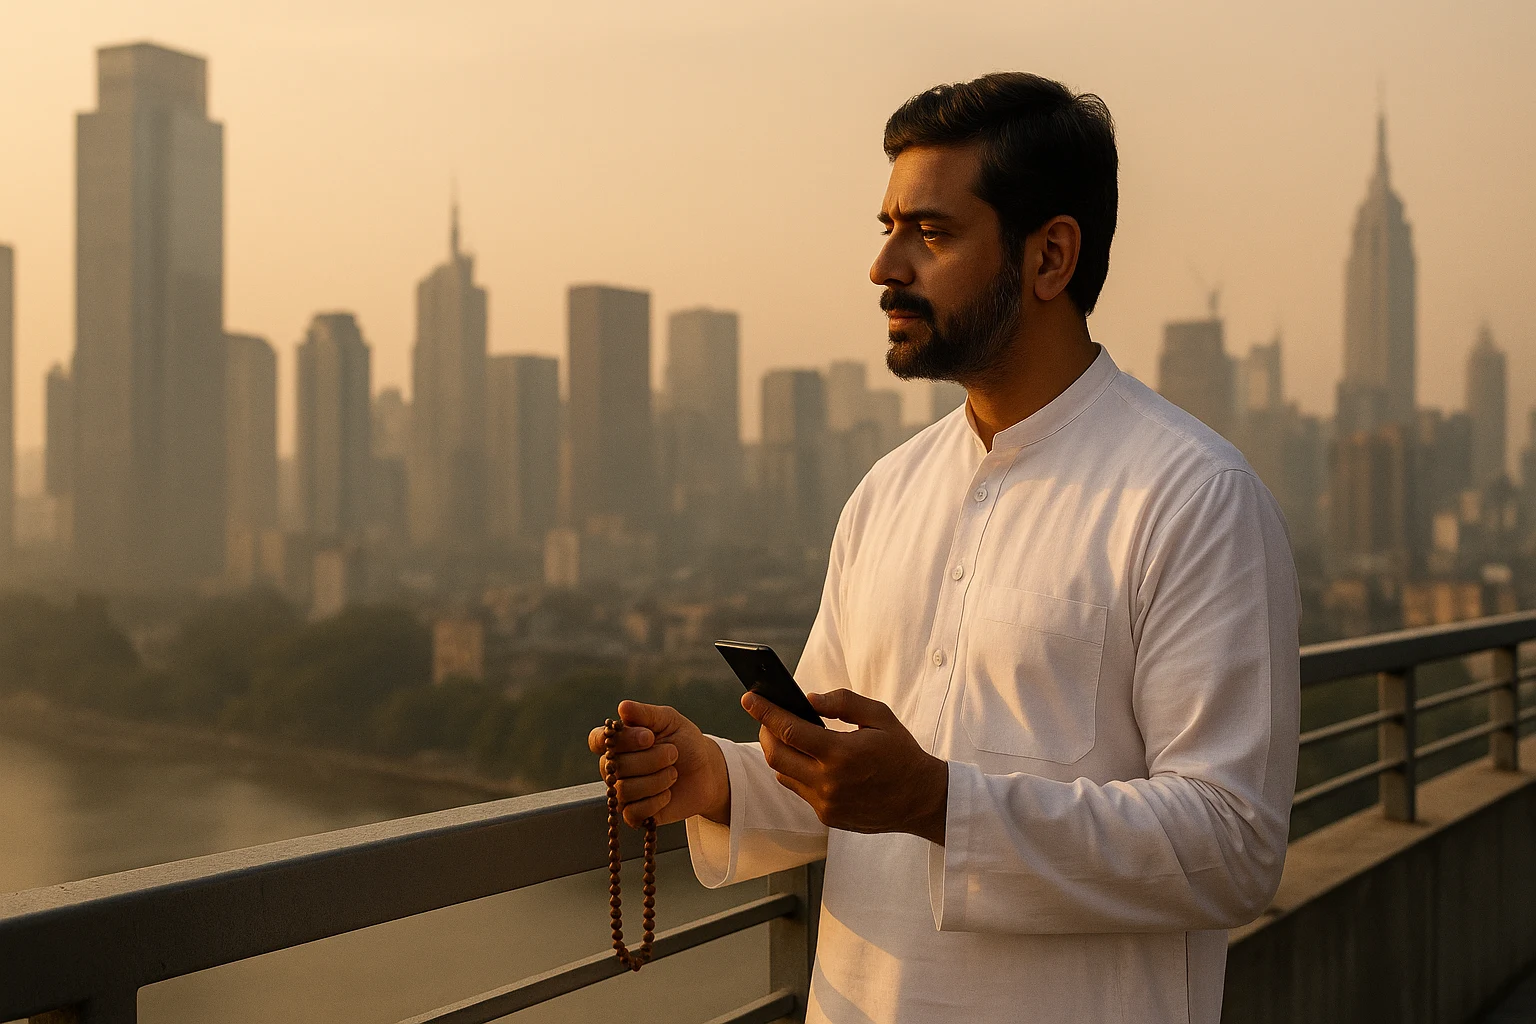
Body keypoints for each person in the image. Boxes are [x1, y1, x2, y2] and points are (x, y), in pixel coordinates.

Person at [588, 71, 1300, 1024]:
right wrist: (713, 774)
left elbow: (1232, 843)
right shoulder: (887, 493)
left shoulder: (1192, 498)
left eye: (930, 232)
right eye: (885, 228)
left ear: (1050, 258)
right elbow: (841, 771)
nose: (885, 265)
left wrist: (938, 803)